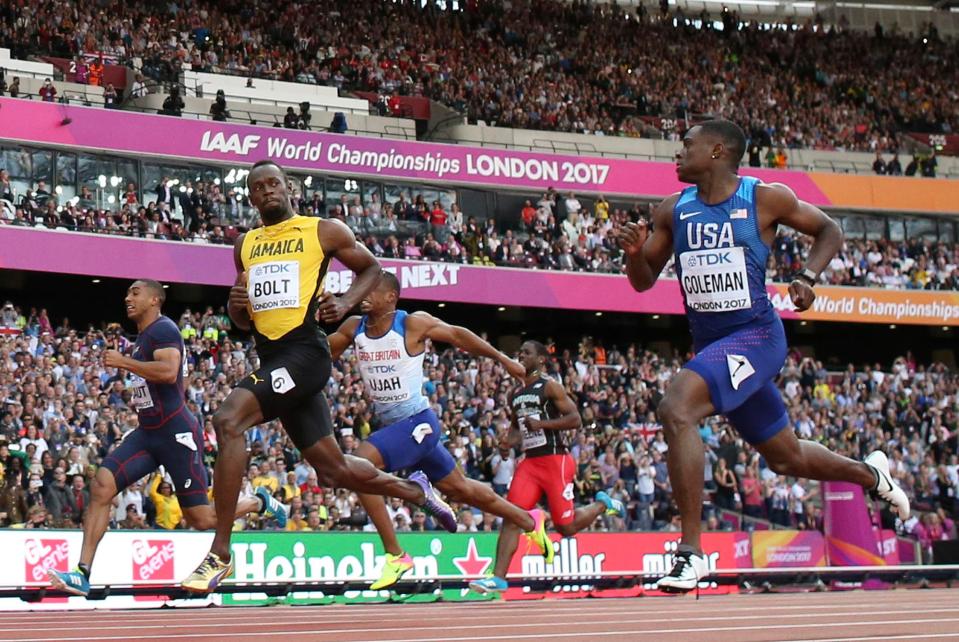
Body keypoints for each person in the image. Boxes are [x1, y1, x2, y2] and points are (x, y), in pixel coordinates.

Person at [616, 120, 909, 592]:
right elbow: (644, 279)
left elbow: (829, 230)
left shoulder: (763, 198)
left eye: (686, 145)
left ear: (716, 151)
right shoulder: (673, 210)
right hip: (713, 347)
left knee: (676, 407)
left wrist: (808, 277)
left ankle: (690, 554)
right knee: (787, 459)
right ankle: (872, 474)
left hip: (756, 336)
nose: (678, 154)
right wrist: (634, 253)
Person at [182, 160, 454, 593]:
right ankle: (416, 492)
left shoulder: (322, 230)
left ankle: (220, 553)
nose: (267, 190)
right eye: (258, 187)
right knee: (334, 470)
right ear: (251, 197)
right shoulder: (245, 244)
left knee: (227, 420)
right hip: (273, 357)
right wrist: (235, 305)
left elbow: (374, 270)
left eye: (274, 183)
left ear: (288, 188)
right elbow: (243, 320)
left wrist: (345, 302)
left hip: (306, 354)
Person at [47, 280, 284, 597]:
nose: (127, 297)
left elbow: (170, 372)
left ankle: (258, 501)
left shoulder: (163, 329)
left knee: (201, 519)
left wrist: (124, 362)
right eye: (128, 293)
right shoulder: (144, 337)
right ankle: (83, 573)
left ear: (155, 299)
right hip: (147, 433)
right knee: (102, 483)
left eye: (135, 292)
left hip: (176, 434)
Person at [326, 273, 553, 590]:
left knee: (358, 466)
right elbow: (321, 353)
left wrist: (503, 359)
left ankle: (396, 553)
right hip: (394, 429)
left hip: (419, 423)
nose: (360, 295)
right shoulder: (354, 328)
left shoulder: (412, 324)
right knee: (461, 489)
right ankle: (529, 520)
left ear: (391, 297)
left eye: (370, 291)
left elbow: (458, 335)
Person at [469, 340, 624, 594]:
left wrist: (542, 426)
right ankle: (498, 577)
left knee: (567, 527)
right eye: (519, 352)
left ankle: (601, 504)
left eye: (526, 353)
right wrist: (508, 443)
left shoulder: (550, 386)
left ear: (541, 360)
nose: (521, 355)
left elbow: (575, 420)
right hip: (530, 463)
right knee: (511, 515)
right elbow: (519, 428)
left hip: (556, 461)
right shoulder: (515, 394)